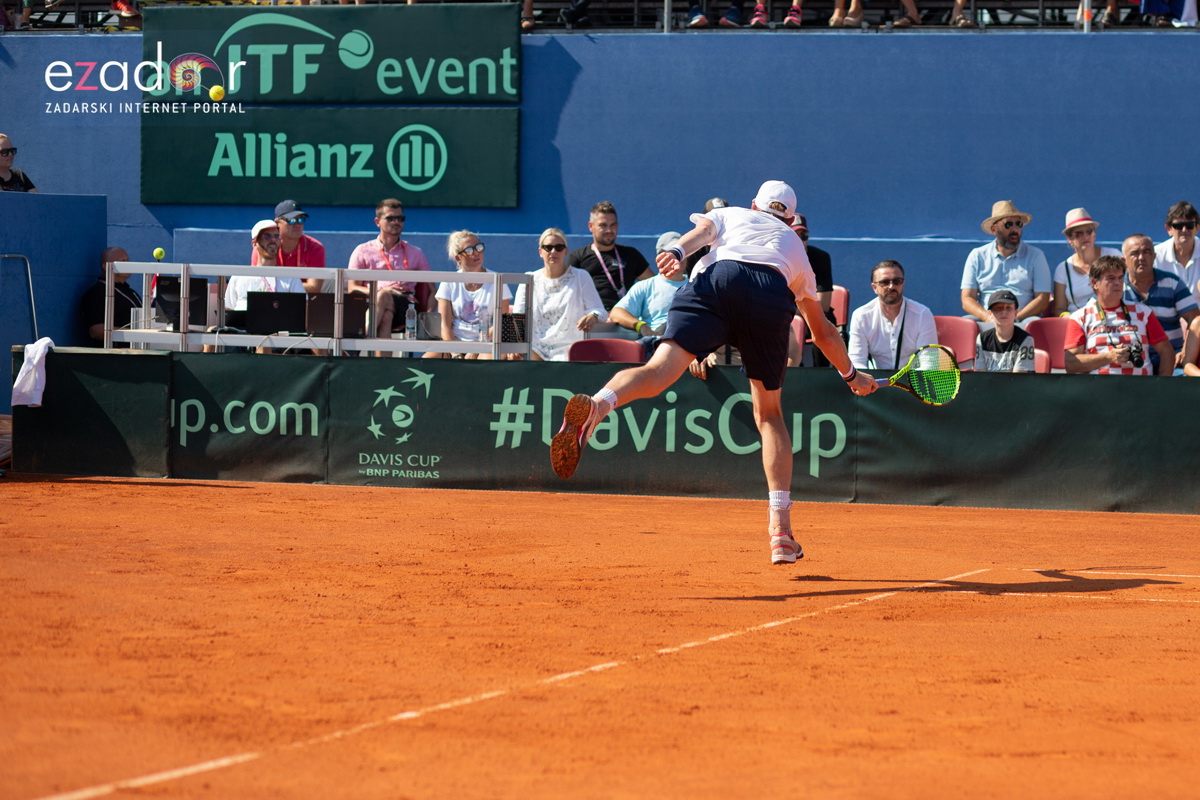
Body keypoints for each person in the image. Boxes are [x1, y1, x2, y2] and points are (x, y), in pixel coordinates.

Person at [550, 180, 876, 566]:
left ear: (754, 204)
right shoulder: (795, 251)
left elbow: (701, 233)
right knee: (769, 414)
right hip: (768, 292)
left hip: (713, 280)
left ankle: (601, 404)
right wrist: (852, 374)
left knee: (656, 371)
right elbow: (821, 331)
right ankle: (780, 534)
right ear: (789, 217)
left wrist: (676, 250)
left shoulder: (731, 213)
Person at [1063, 255, 1173, 376]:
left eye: (1120, 278)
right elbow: (1071, 363)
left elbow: (1166, 351)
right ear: (1094, 283)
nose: (1118, 283)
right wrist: (1108, 358)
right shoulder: (1080, 317)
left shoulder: (1143, 312)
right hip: (1099, 389)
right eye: (1110, 278)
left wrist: (1162, 387)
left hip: (1140, 388)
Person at [513, 228, 606, 361]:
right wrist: (513, 346)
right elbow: (517, 317)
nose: (553, 252)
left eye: (559, 247)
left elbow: (599, 310)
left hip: (571, 350)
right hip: (534, 349)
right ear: (540, 252)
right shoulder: (528, 279)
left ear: (565, 251)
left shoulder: (581, 276)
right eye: (548, 247)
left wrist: (593, 316)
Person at [347, 198, 433, 339]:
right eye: (391, 218)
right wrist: (380, 291)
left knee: (384, 299)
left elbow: (431, 290)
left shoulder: (415, 252)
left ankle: (358, 341)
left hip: (406, 306)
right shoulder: (362, 250)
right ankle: (383, 361)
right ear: (377, 222)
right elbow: (352, 288)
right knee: (386, 315)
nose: (396, 222)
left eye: (400, 218)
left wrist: (428, 317)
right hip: (370, 304)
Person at [961, 200, 1051, 327]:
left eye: (1018, 224)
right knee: (966, 324)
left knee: (1035, 323)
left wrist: (1016, 318)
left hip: (1022, 319)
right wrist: (987, 317)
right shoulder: (977, 255)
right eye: (1008, 224)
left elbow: (1042, 299)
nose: (1015, 229)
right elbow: (967, 299)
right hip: (987, 319)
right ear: (994, 229)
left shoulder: (1036, 255)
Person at [428, 231, 512, 360]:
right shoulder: (448, 282)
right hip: (455, 344)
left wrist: (476, 348)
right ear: (458, 258)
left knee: (487, 361)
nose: (476, 252)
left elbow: (501, 324)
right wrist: (455, 353)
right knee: (428, 360)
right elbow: (444, 325)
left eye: (478, 247)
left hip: (487, 343)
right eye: (469, 250)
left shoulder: (498, 280)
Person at [608, 231, 689, 361]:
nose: (678, 258)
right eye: (672, 253)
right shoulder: (645, 286)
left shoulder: (697, 285)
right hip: (654, 350)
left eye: (681, 253)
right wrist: (641, 326)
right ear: (660, 256)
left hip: (687, 349)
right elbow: (616, 312)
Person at [1121, 233, 1197, 369]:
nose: (1141, 258)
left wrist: (1185, 352)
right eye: (1134, 253)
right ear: (1123, 261)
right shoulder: (1116, 288)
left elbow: (1194, 319)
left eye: (1147, 252)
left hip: (1173, 359)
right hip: (1131, 362)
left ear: (1154, 256)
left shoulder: (1172, 282)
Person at [847, 259, 938, 371]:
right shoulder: (861, 316)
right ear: (874, 288)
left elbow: (929, 362)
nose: (891, 286)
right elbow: (856, 361)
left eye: (897, 281)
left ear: (903, 283)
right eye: (884, 282)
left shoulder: (922, 314)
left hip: (914, 381)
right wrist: (866, 383)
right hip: (874, 382)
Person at [566, 201, 652, 311]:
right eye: (603, 225)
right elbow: (568, 293)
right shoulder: (577, 257)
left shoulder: (631, 254)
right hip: (593, 320)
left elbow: (652, 285)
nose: (609, 230)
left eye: (613, 225)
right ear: (590, 226)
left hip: (627, 318)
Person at [1053, 208, 1120, 316]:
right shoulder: (1063, 269)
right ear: (1069, 238)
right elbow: (1059, 308)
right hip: (1078, 322)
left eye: (1089, 231)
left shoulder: (1113, 255)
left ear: (1094, 234)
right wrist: (1069, 318)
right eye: (1079, 233)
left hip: (1112, 317)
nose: (1085, 236)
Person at [252, 200, 326, 293]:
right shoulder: (264, 247)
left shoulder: (315, 247)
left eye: (301, 220)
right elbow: (258, 282)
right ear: (277, 223)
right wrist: (290, 286)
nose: (297, 225)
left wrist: (279, 285)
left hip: (303, 303)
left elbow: (314, 288)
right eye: (291, 220)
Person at [80, 247, 141, 346]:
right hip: (116, 356)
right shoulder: (96, 293)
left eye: (128, 260)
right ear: (106, 266)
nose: (128, 264)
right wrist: (134, 334)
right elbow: (95, 330)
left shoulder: (131, 292)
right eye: (122, 261)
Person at [973, 289, 1035, 372]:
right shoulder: (981, 338)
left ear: (1016, 313)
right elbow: (980, 376)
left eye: (1009, 308)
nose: (1004, 312)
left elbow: (1018, 379)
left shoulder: (1026, 339)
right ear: (990, 313)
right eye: (998, 308)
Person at [1154, 201, 1199, 303]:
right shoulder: (1155, 255)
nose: (1184, 230)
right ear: (1169, 229)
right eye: (1179, 226)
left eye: (1190, 225)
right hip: (1166, 316)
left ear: (1197, 228)